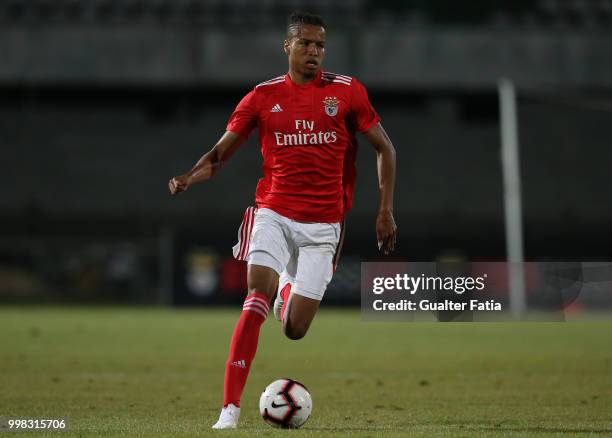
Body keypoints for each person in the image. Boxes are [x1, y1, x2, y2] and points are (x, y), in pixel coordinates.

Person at [168, 11, 397, 429]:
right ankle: (229, 411)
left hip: (324, 225)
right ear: (287, 47)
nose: (314, 52)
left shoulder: (347, 93)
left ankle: (287, 291)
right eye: (306, 43)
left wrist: (385, 210)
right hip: (272, 212)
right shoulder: (260, 97)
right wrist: (189, 176)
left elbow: (386, 149)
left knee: (295, 330)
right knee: (254, 300)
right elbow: (219, 156)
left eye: (320, 45)